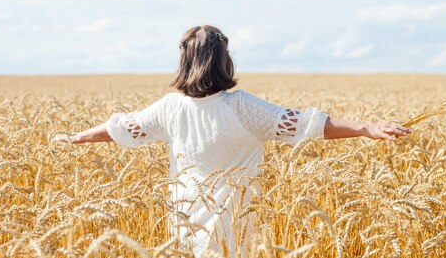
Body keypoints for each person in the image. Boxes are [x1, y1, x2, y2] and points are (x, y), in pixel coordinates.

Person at [52, 25, 411, 257]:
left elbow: (120, 130)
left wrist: (76, 138)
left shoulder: (169, 107)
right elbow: (310, 125)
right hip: (234, 228)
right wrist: (366, 127)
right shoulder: (242, 107)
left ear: (185, 61)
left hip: (183, 222)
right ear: (224, 61)